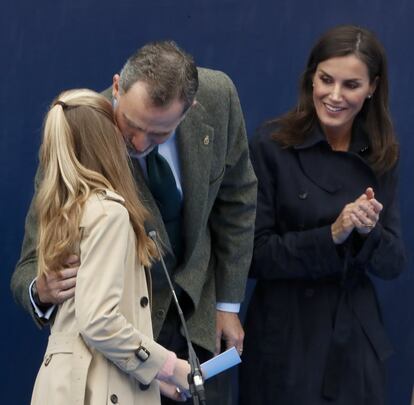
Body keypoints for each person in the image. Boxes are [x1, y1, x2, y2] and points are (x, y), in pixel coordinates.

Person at [11, 41, 257, 404]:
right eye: (130, 125)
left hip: (201, 333)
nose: (139, 143)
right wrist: (40, 291)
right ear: (116, 88)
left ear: (190, 109)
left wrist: (228, 306)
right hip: (120, 358)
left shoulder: (220, 98)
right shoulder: (80, 131)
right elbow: (29, 266)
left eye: (159, 133)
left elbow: (237, 200)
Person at [239, 25, 406, 405]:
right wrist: (332, 232)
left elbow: (394, 263)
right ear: (310, 78)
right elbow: (253, 255)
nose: (334, 96)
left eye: (350, 85)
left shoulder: (383, 154)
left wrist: (367, 230)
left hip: (354, 345)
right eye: (325, 80)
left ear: (372, 88)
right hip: (286, 340)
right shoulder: (271, 146)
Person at [29, 89, 191, 404]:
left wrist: (154, 380)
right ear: (107, 143)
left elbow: (81, 330)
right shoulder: (110, 213)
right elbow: (98, 322)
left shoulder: (66, 212)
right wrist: (170, 366)